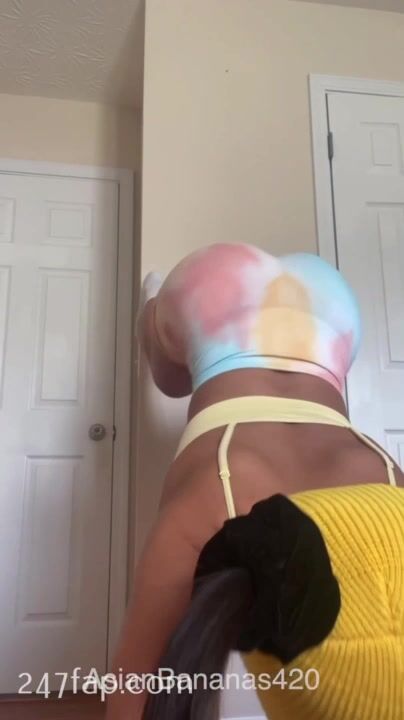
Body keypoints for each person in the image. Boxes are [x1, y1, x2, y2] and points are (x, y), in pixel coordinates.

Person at [106, 243, 404, 720]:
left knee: (171, 369)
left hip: (327, 311)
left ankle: (155, 309)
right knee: (170, 367)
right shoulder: (211, 498)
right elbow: (135, 694)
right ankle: (155, 310)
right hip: (241, 406)